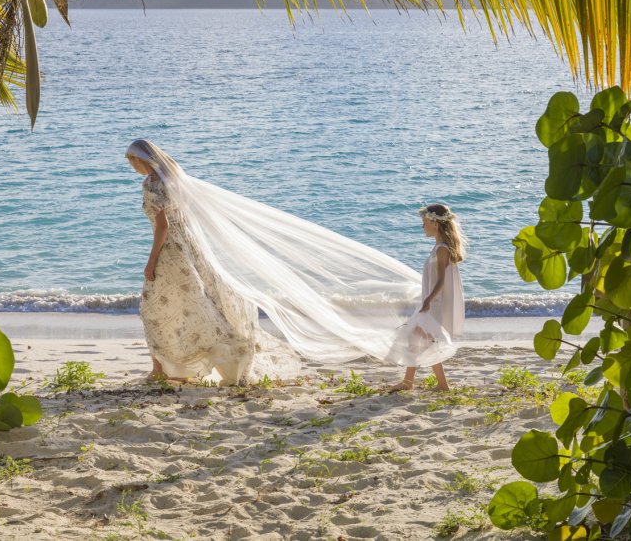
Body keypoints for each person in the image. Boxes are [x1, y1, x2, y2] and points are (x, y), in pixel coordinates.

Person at [125, 139, 463, 386]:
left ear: (143, 161)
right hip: (190, 252)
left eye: (133, 162)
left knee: (155, 306)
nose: (133, 167)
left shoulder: (153, 186)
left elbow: (163, 227)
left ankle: (163, 368)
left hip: (171, 253)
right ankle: (177, 365)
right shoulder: (173, 182)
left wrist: (151, 259)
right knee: (192, 306)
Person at [388, 204, 466, 392]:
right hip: (432, 302)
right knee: (417, 340)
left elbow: (440, 281)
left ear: (435, 224)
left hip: (434, 304)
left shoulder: (442, 249)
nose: (422, 227)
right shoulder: (439, 248)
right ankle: (416, 382)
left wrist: (428, 300)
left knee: (424, 340)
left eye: (424, 223)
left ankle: (436, 384)